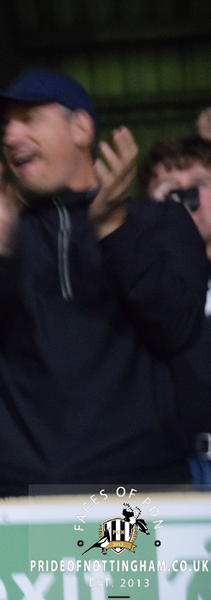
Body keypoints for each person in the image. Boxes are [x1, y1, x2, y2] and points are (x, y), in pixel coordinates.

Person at [0, 70, 207, 497]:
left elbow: (175, 329)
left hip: (133, 493)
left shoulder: (159, 223)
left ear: (80, 128)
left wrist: (113, 228)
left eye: (29, 118)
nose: (11, 136)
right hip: (8, 490)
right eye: (6, 126)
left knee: (127, 544)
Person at [140, 133, 211, 486]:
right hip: (167, 467)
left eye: (198, 184)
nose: (186, 198)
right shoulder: (137, 279)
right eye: (169, 189)